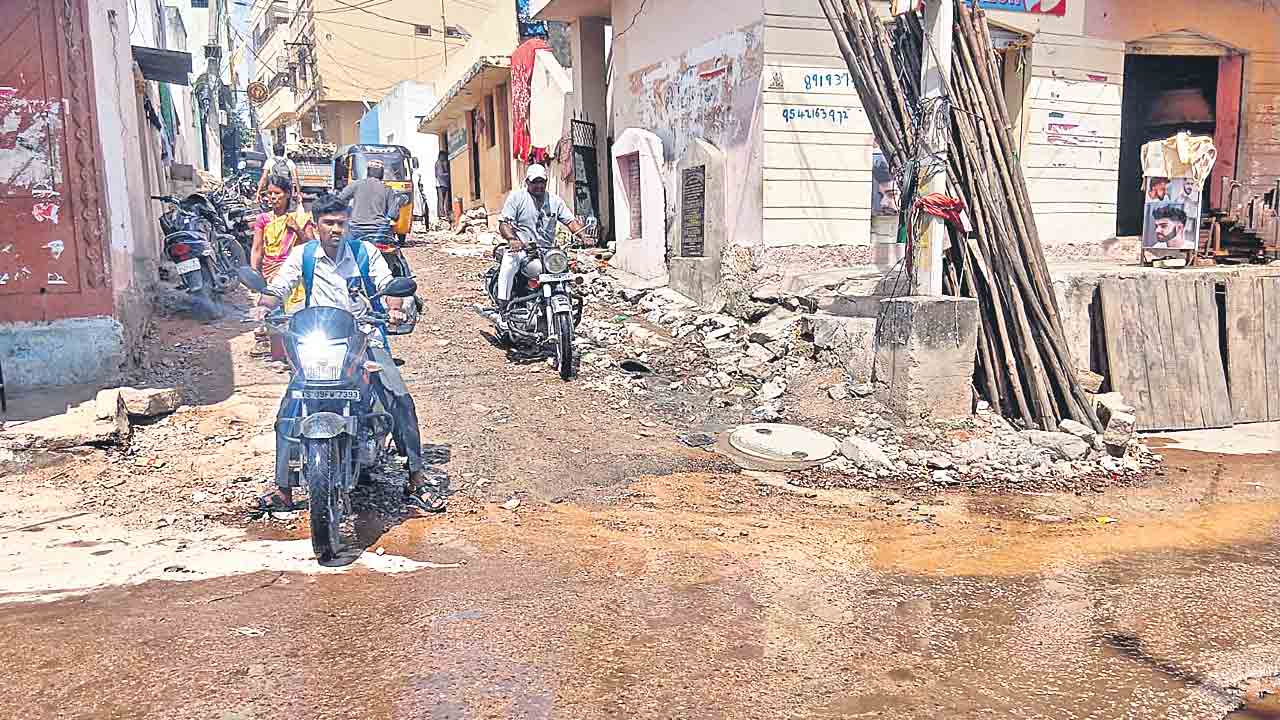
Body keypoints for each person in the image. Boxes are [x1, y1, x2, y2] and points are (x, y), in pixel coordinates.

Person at [251, 193, 445, 514]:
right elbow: (280, 286)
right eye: (328, 223)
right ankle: (283, 488)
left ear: (349, 225)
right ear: (315, 226)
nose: (336, 230)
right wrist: (264, 307)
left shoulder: (364, 252)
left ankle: (416, 480)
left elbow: (386, 284)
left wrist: (393, 308)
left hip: (364, 337)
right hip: (319, 339)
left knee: (398, 396)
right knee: (290, 405)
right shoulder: (304, 255)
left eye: (341, 223)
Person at [492, 164, 587, 330]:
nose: (539, 186)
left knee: (562, 274)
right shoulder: (517, 198)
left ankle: (560, 307)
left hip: (547, 251)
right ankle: (503, 310)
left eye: (542, 182)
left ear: (546, 182)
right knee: (508, 265)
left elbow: (570, 221)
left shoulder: (555, 201)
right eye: (535, 182)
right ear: (527, 182)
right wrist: (513, 240)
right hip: (522, 249)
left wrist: (583, 235)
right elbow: (504, 223)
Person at [250, 174, 314, 358]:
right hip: (270, 274)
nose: (272, 197)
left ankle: (298, 356)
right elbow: (257, 248)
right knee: (274, 316)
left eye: (277, 193)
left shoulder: (300, 219)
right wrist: (254, 274)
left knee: (296, 315)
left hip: (294, 275)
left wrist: (298, 230)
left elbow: (312, 246)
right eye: (269, 193)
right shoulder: (263, 219)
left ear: (287, 194)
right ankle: (278, 355)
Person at [337, 159, 399, 243]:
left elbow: (339, 200)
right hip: (380, 230)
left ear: (367, 172)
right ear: (382, 173)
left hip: (356, 229)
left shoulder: (356, 184)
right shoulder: (387, 189)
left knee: (346, 251)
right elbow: (394, 214)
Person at [435, 151, 452, 223]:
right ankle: (441, 214)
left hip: (443, 184)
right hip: (440, 184)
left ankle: (443, 213)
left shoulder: (442, 162)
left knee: (443, 199)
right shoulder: (439, 163)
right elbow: (440, 174)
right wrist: (449, 174)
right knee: (441, 199)